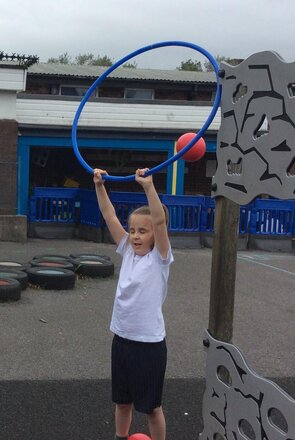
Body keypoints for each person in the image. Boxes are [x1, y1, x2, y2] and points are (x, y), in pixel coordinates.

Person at [93, 167, 172, 440]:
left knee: (151, 408)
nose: (136, 236)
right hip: (123, 341)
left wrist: (149, 188)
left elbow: (160, 223)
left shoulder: (160, 258)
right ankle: (120, 437)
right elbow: (108, 215)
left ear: (155, 235)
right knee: (122, 402)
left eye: (143, 231)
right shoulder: (127, 250)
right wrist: (100, 186)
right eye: (133, 230)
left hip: (149, 346)